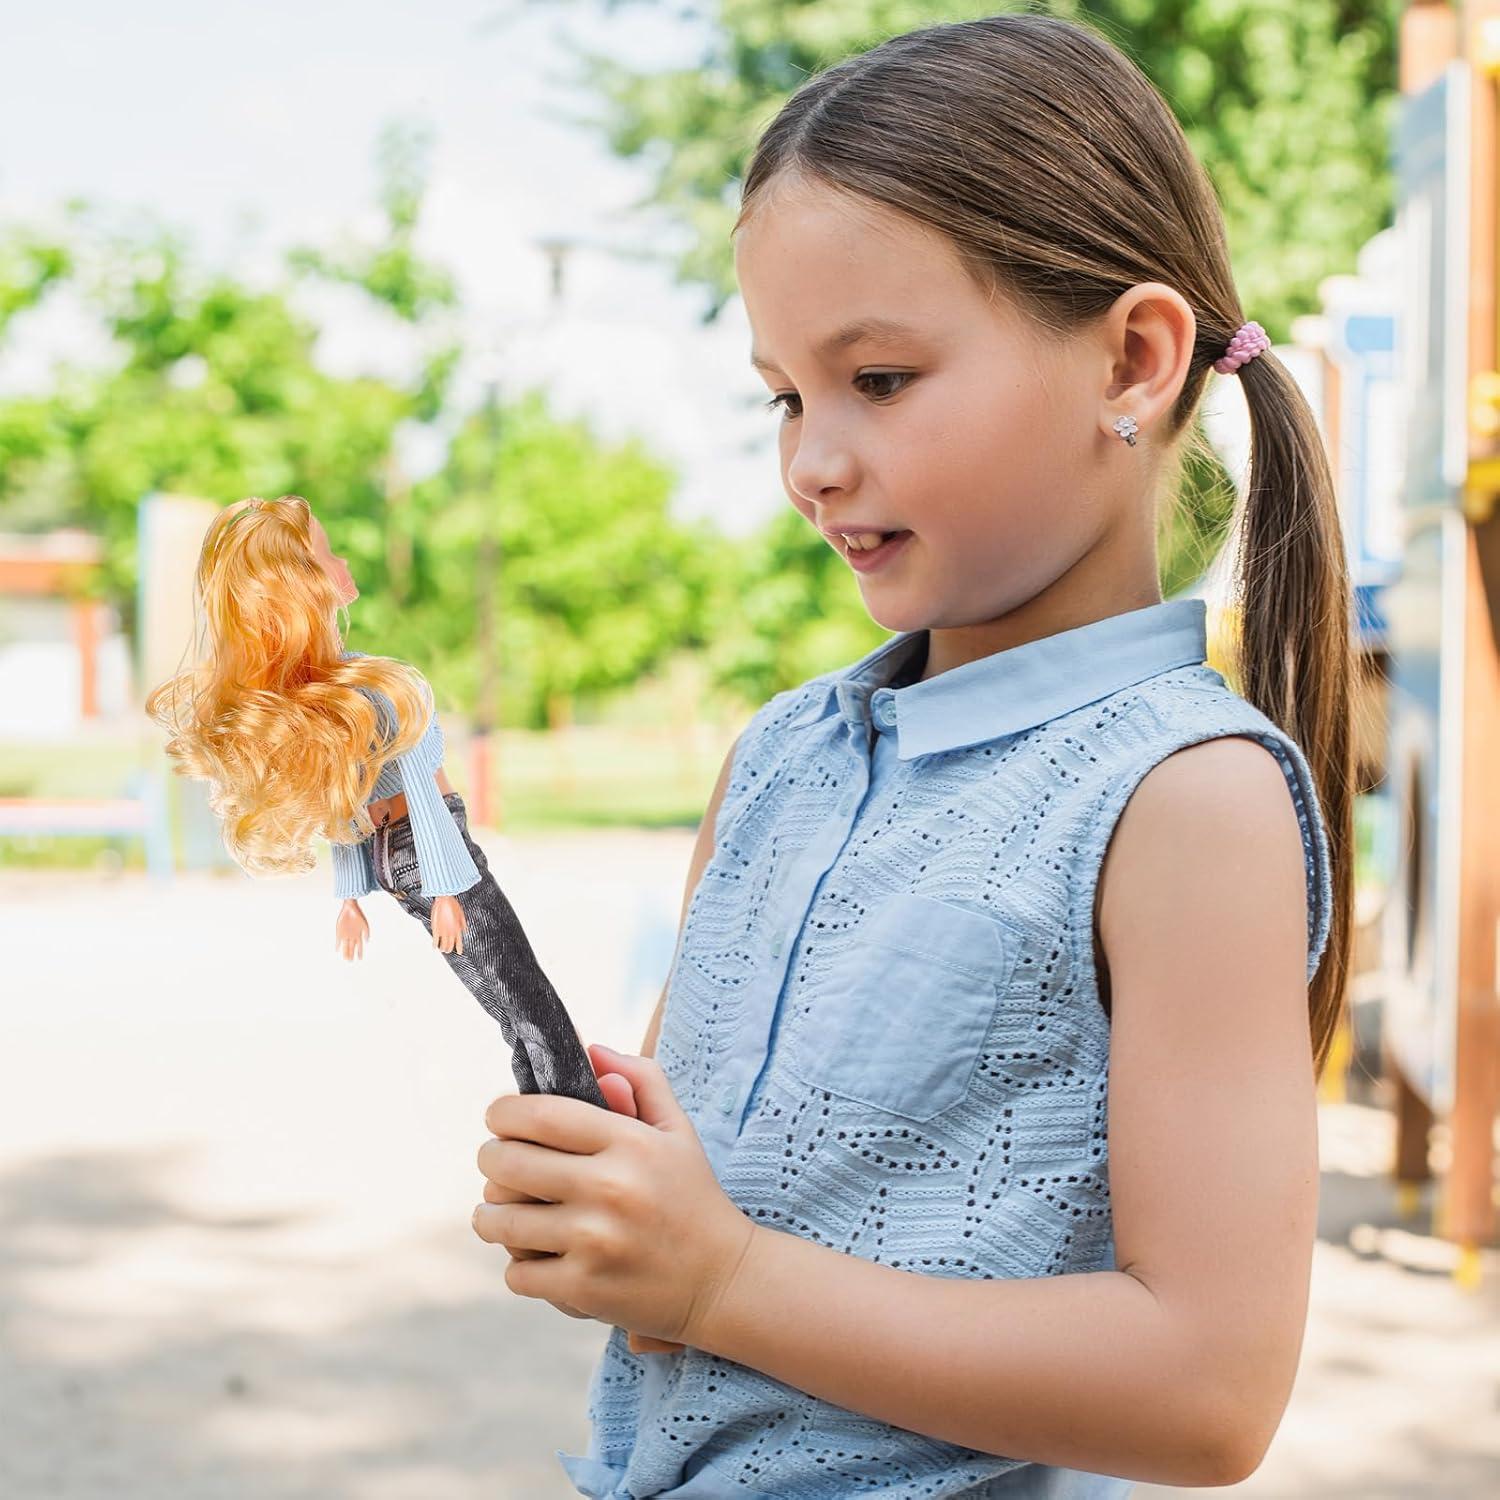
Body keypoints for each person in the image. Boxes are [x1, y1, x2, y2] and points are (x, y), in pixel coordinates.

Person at [471, 13, 1353, 1497]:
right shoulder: (780, 758)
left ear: (1133, 362)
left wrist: (717, 1280)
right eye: (783, 395)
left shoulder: (1184, 797)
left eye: (877, 380)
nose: (814, 458)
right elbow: (748, 1205)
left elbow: (1210, 1393)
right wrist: (613, 1194)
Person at [144, 494, 610, 1111]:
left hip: (399, 862)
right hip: (435, 856)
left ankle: (560, 1117)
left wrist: (352, 895)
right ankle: (581, 1114)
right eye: (327, 555)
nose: (343, 565)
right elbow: (421, 793)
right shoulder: (386, 689)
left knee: (512, 1008)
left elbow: (348, 812)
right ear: (305, 586)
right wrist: (448, 890)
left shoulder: (341, 694)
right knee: (531, 1003)